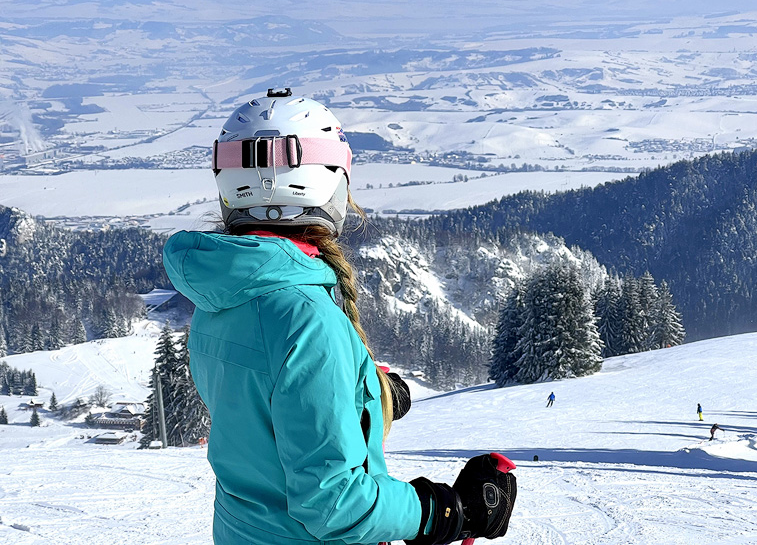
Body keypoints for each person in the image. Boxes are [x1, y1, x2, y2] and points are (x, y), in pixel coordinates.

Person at [163, 91, 517, 545]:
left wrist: (366, 393)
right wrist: (448, 511)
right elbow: (333, 503)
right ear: (329, 181)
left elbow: (261, 407)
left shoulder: (223, 294)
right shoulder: (307, 319)